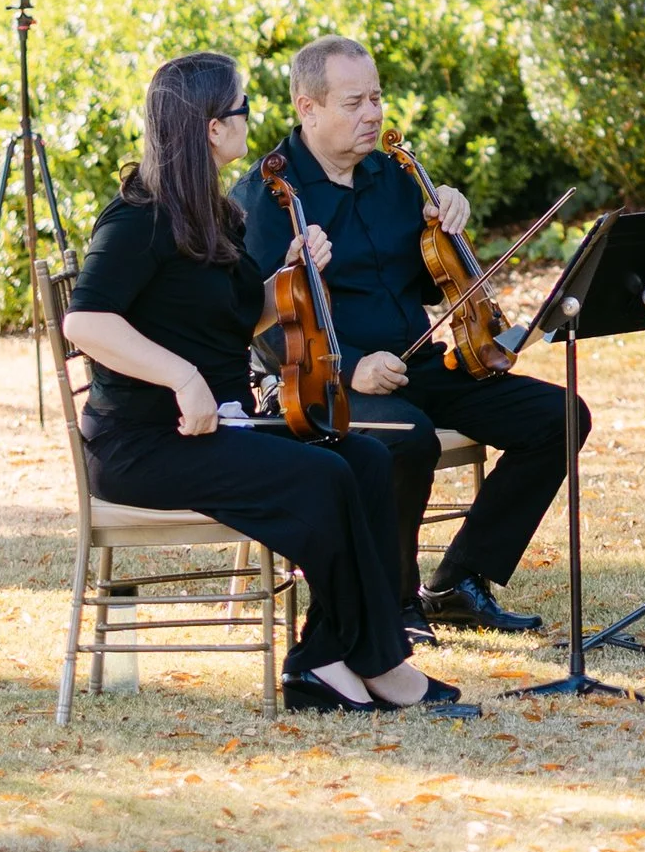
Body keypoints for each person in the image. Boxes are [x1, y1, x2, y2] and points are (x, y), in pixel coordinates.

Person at [63, 50, 472, 717]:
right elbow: (85, 320)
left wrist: (288, 276)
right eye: (242, 110)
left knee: (364, 456)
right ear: (210, 128)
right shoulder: (137, 215)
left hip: (220, 426)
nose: (252, 122)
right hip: (146, 444)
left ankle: (352, 657)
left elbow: (231, 321)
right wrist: (182, 378)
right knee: (324, 477)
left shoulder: (216, 215)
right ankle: (334, 664)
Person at [236, 35, 577, 639]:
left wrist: (446, 224)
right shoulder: (268, 197)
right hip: (327, 383)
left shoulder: (393, 177)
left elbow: (427, 283)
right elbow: (262, 326)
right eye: (353, 103)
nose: (372, 115)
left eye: (376, 98)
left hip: (417, 367)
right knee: (405, 439)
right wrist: (352, 367)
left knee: (559, 416)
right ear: (306, 108)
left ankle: (459, 581)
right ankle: (391, 604)